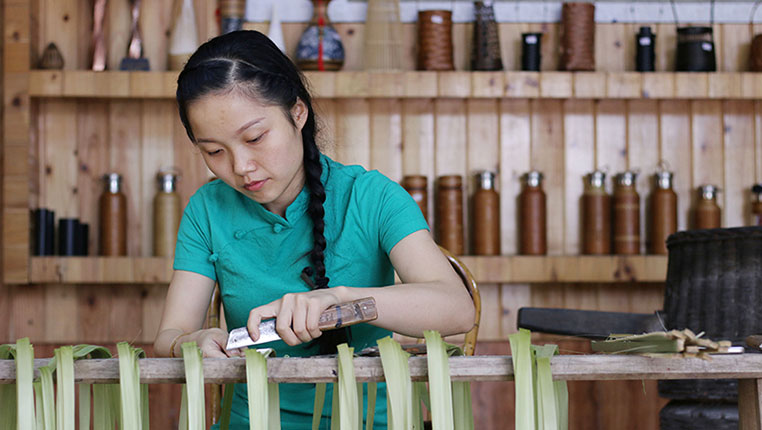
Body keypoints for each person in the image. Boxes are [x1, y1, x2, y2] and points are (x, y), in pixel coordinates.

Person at [154, 30, 475, 429]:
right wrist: (191, 341)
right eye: (214, 151)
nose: (239, 166)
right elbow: (170, 333)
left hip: (371, 421)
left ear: (298, 114)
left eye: (255, 138)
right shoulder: (207, 209)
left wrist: (340, 303)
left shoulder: (371, 197)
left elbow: (457, 308)